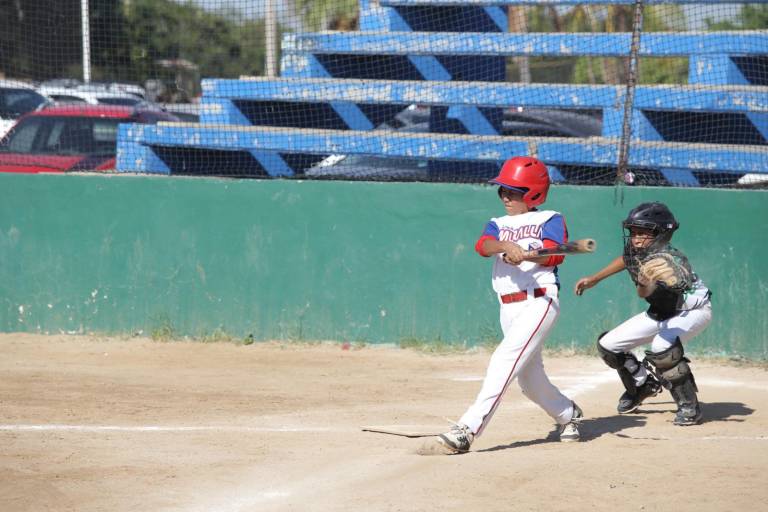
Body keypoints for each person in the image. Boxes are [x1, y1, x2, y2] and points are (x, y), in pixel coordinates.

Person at [434, 156, 583, 454]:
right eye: (502, 190)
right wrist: (505, 246)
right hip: (508, 306)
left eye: (514, 192)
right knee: (529, 381)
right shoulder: (498, 224)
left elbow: (554, 255)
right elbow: (483, 246)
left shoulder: (549, 218)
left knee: (504, 358)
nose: (505, 196)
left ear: (534, 194)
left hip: (539, 300)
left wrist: (527, 254)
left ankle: (469, 428)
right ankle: (568, 414)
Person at [574, 202, 712, 426]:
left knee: (662, 348)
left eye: (643, 233)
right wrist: (595, 279)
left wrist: (646, 282)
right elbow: (626, 259)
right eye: (633, 232)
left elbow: (648, 293)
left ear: (661, 233)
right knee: (608, 345)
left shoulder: (674, 260)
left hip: (692, 311)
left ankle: (689, 406)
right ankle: (642, 384)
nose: (636, 238)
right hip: (660, 312)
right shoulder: (635, 249)